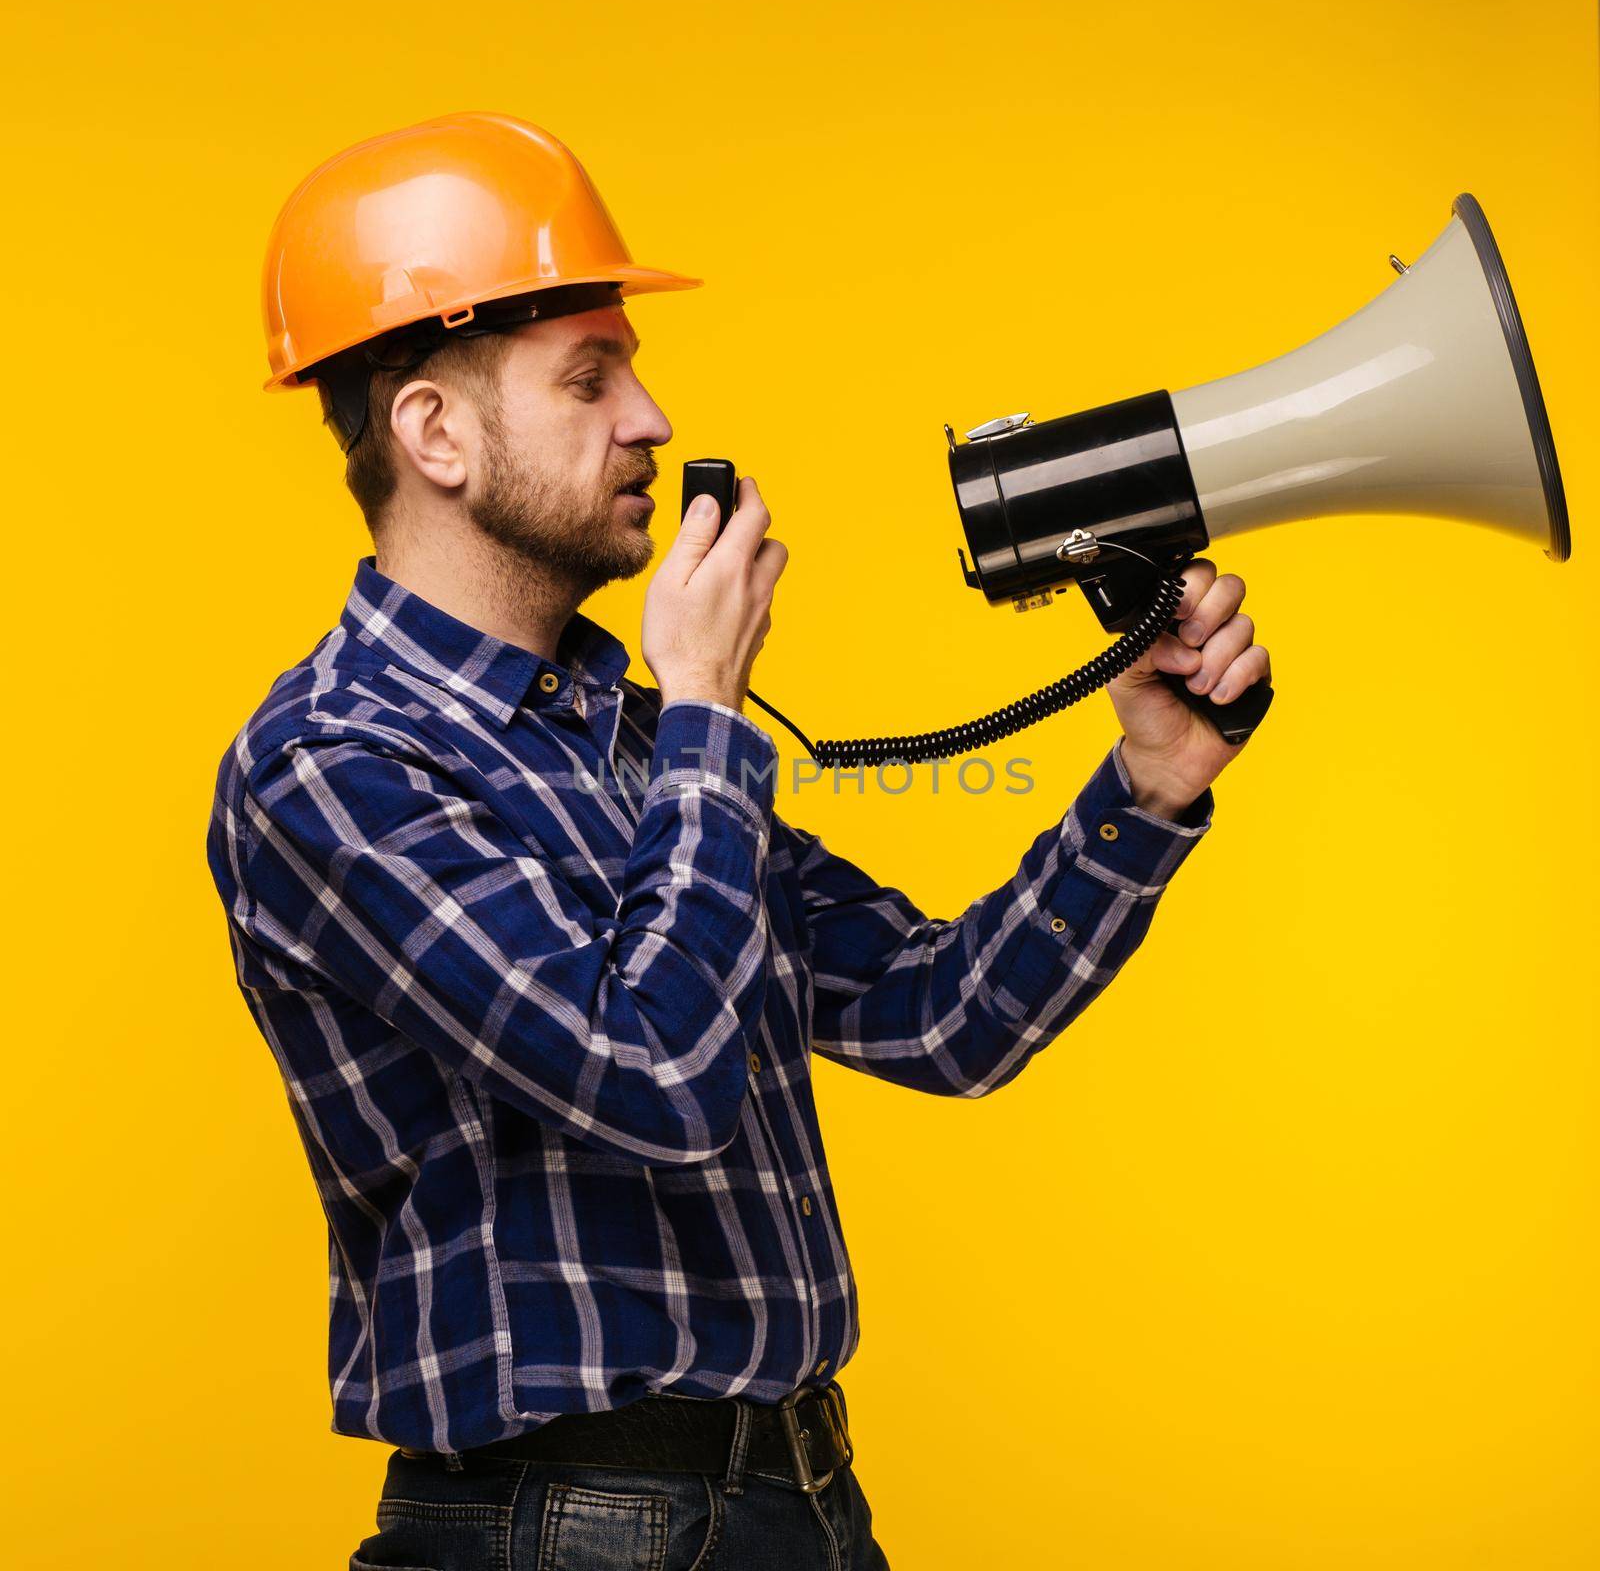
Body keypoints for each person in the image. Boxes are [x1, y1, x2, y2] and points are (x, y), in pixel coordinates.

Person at [206, 113, 1272, 1571]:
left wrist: (1146, 789)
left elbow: (941, 1018)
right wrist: (707, 705)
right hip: (561, 1527)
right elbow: (651, 1075)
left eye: (632, 370)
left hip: (801, 1503)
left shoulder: (636, 743)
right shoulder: (332, 764)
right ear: (434, 432)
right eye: (591, 379)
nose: (650, 419)